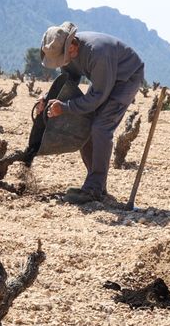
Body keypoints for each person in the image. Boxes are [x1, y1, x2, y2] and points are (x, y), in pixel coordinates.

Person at [39, 21, 145, 204]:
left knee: (101, 127)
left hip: (126, 79)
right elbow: (68, 81)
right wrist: (48, 99)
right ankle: (97, 184)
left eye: (63, 58)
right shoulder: (69, 55)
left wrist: (64, 107)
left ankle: (94, 189)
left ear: (72, 45)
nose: (63, 62)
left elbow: (98, 97)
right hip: (104, 81)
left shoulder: (98, 54)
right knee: (84, 125)